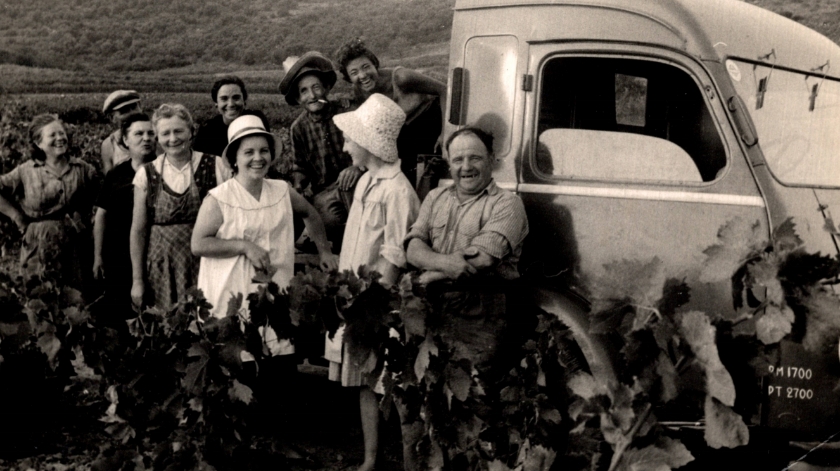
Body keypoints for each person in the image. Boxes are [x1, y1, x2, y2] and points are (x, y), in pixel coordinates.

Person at [191, 114, 338, 463]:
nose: (258, 158)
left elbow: (312, 214)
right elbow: (199, 243)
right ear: (234, 158)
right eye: (248, 152)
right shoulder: (220, 197)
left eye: (263, 151)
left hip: (275, 294)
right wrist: (243, 245)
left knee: (280, 370)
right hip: (233, 293)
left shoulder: (281, 190)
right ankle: (236, 448)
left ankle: (275, 444)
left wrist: (324, 250)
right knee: (240, 370)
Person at [404, 127, 530, 467]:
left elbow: (480, 261)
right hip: (434, 321)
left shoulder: (507, 204)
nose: (466, 166)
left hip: (480, 325)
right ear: (448, 163)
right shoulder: (436, 199)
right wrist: (441, 264)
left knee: (475, 415)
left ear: (491, 160)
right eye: (457, 159)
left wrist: (429, 272)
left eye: (475, 157)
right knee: (429, 410)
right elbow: (413, 247)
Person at [329, 94, 420, 471]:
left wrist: (374, 302)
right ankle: (370, 459)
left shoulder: (398, 191)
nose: (346, 145)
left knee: (396, 387)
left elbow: (396, 253)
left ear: (368, 143)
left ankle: (410, 462)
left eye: (351, 138)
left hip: (382, 307)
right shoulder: (368, 181)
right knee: (367, 381)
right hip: (361, 304)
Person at [129, 103, 232, 310]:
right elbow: (139, 230)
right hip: (163, 265)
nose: (173, 138)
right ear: (157, 138)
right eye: (165, 133)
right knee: (169, 326)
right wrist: (138, 280)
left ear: (191, 132)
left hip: (207, 260)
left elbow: (231, 219)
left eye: (179, 131)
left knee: (208, 321)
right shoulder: (148, 174)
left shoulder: (215, 165)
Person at [0, 114, 99, 286]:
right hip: (38, 246)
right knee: (41, 296)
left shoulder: (83, 170)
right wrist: (16, 216)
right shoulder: (26, 171)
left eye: (61, 133)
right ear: (38, 143)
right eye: (52, 135)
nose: (60, 138)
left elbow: (102, 202)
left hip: (76, 246)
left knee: (76, 299)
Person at [280, 51, 363, 250]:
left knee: (362, 222)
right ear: (299, 98)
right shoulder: (298, 128)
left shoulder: (345, 111)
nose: (312, 95)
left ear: (325, 88)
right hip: (324, 191)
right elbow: (299, 166)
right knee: (329, 225)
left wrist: (357, 167)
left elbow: (366, 145)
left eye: (316, 87)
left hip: (356, 179)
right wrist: (298, 188)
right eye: (304, 91)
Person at [335, 37, 447, 186]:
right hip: (405, 135)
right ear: (349, 78)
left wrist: (446, 133)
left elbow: (444, 90)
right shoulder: (359, 91)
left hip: (431, 122)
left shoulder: (402, 78)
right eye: (354, 72)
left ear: (374, 64)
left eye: (366, 67)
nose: (362, 75)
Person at [93, 112, 156, 319]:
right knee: (120, 311)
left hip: (152, 252)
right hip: (118, 254)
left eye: (150, 133)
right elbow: (101, 215)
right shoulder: (116, 175)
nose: (146, 138)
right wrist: (98, 255)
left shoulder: (163, 170)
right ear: (125, 140)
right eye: (139, 133)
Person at [192, 75, 270, 158]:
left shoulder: (256, 120)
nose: (231, 104)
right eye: (224, 99)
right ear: (216, 104)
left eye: (236, 98)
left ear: (244, 101)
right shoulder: (207, 131)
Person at [101, 90, 144, 174]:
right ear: (111, 118)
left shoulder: (157, 136)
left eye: (134, 107)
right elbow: (110, 181)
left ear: (141, 108)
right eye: (124, 111)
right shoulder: (109, 145)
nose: (132, 113)